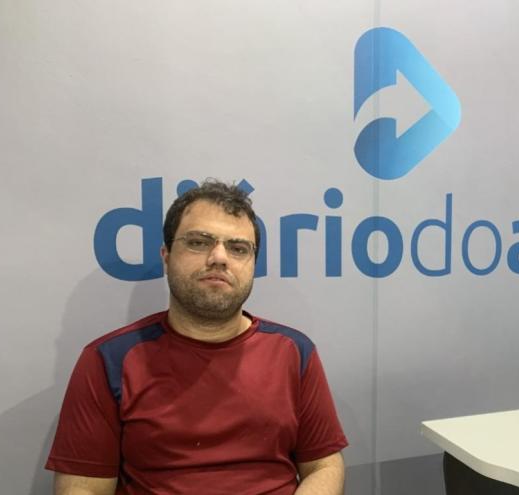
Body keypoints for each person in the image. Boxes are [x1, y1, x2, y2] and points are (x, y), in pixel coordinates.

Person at [45, 180, 348, 494]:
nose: (219, 257)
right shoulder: (108, 361)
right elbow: (84, 488)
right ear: (166, 256)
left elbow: (324, 466)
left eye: (238, 248)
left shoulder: (294, 352)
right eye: (199, 242)